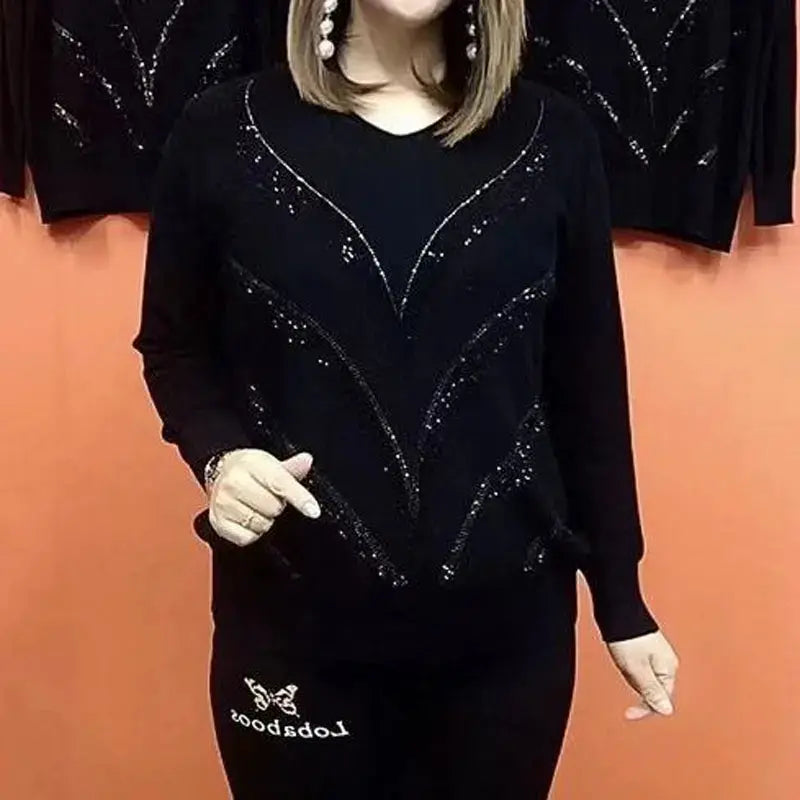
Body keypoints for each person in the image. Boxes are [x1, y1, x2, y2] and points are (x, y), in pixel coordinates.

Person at [133, 0, 679, 797]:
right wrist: (222, 455)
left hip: (506, 645)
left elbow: (588, 387)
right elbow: (174, 345)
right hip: (295, 628)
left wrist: (622, 602)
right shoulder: (222, 130)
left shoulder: (553, 138)